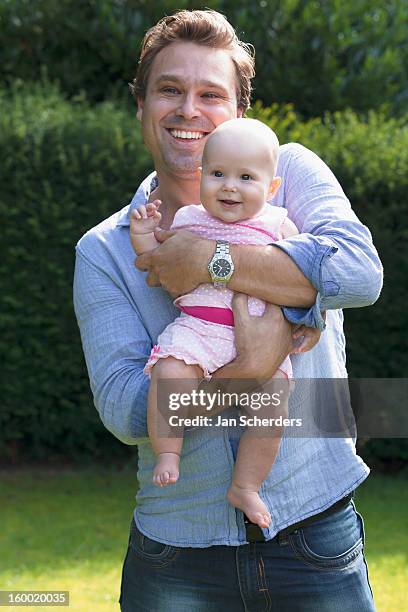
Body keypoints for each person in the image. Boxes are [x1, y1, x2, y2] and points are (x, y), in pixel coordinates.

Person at [73, 9, 382, 611]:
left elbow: (359, 273)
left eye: (210, 93)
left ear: (238, 112)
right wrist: (246, 370)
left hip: (316, 532)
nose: (189, 109)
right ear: (141, 105)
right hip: (177, 555)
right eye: (169, 90)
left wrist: (209, 262)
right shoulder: (107, 247)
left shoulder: (289, 174)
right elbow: (126, 409)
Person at [130, 117, 322, 529]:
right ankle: (169, 451)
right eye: (217, 174)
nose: (229, 186)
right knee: (168, 374)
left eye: (246, 177)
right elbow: (156, 262)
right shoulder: (187, 220)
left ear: (270, 189)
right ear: (201, 178)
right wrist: (144, 234)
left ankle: (246, 485)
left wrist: (312, 320)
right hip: (198, 329)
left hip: (260, 335)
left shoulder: (280, 225)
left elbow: (308, 280)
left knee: (272, 411)